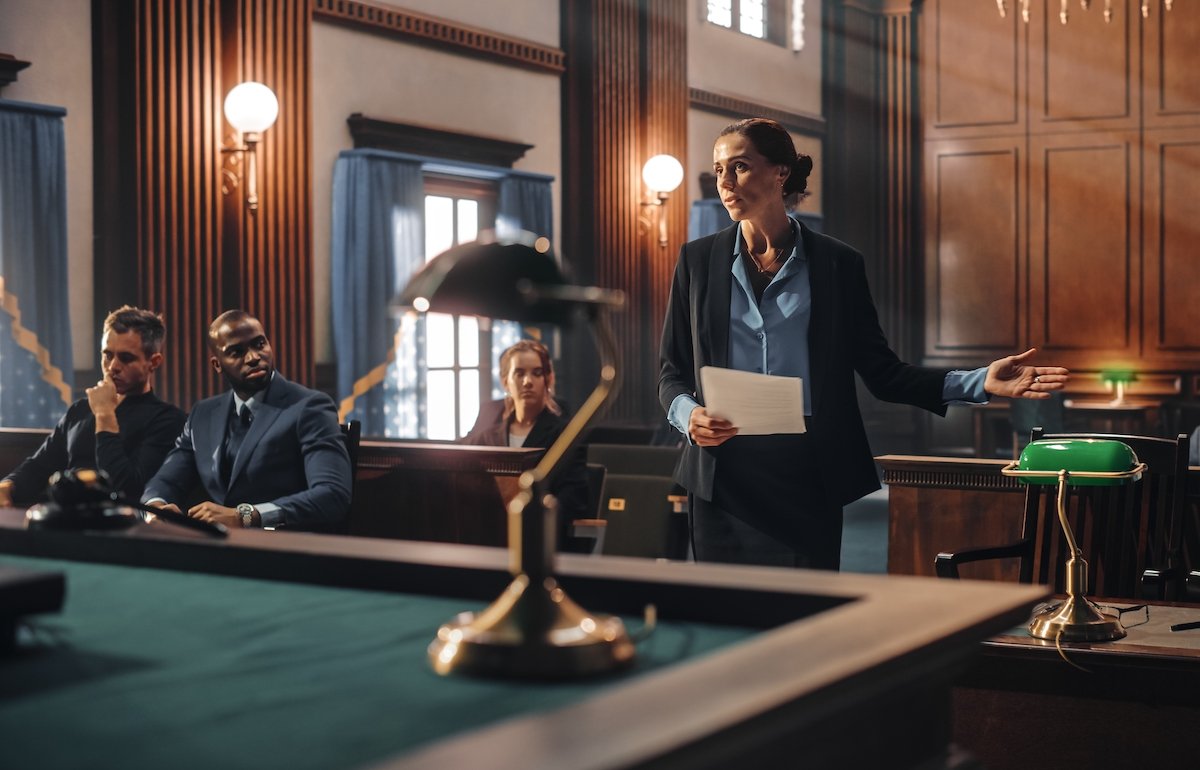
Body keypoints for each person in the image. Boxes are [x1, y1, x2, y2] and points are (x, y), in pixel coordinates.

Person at [659, 117, 1069, 570]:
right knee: (728, 624)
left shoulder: (837, 264)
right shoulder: (696, 261)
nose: (725, 182)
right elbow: (670, 372)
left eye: (739, 166)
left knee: (805, 622)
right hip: (722, 478)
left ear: (780, 172)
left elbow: (883, 373)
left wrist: (979, 382)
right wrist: (688, 415)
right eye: (719, 170)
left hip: (807, 475)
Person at [142, 310, 351, 531]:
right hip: (218, 550)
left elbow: (332, 495)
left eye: (259, 344)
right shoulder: (202, 414)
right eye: (237, 352)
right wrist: (156, 508)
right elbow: (165, 481)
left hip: (287, 551)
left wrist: (247, 515)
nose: (253, 357)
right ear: (217, 364)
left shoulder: (309, 406)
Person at [0, 306, 185, 507]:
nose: (113, 366)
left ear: (153, 362)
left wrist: (105, 414)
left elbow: (126, 489)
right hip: (60, 518)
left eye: (126, 358)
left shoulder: (168, 420)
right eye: (107, 355)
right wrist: (9, 485)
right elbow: (40, 465)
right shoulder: (80, 410)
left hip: (115, 527)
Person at [463, 339, 588, 548]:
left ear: (548, 379)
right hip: (490, 539)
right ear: (505, 382)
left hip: (543, 541)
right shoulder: (487, 437)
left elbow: (573, 500)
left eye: (537, 373)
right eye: (519, 373)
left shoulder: (566, 436)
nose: (528, 382)